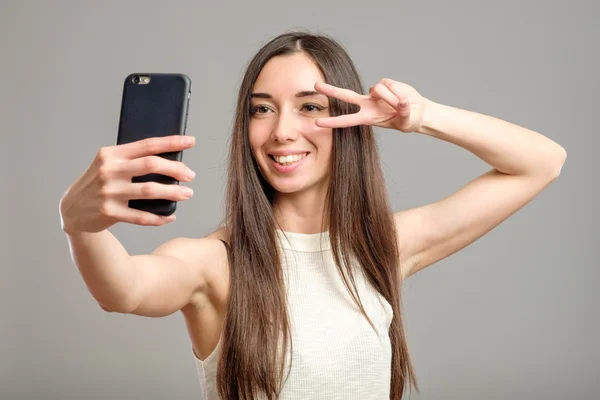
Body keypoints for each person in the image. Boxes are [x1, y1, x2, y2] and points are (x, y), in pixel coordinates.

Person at [59, 31, 567, 400]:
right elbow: (123, 288)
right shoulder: (215, 264)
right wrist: (79, 222)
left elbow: (541, 163)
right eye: (262, 109)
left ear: (347, 119)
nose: (282, 131)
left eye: (308, 107)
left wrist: (422, 118)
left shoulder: (381, 247)